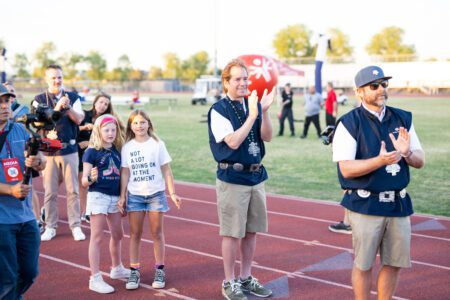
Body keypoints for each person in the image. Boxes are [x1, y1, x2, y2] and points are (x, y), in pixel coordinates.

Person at [332, 65, 425, 299]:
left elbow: (420, 160)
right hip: (366, 205)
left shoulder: (403, 117)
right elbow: (346, 168)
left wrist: (406, 154)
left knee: (394, 264)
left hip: (398, 204)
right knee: (363, 265)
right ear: (359, 92)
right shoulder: (348, 122)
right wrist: (379, 161)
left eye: (384, 84)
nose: (381, 89)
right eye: (374, 86)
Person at [207, 59, 276, 300]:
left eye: (245, 78)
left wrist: (264, 113)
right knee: (232, 233)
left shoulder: (252, 105)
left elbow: (268, 136)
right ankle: (229, 281)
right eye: (237, 79)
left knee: (251, 232)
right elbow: (233, 142)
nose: (243, 83)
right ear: (226, 82)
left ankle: (246, 277)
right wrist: (252, 115)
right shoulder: (219, 109)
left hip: (256, 176)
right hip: (232, 177)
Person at [118, 109, 181, 290]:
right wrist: (122, 196)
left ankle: (160, 269)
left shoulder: (157, 144)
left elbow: (166, 170)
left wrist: (173, 193)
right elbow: (125, 172)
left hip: (156, 195)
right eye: (136, 123)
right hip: (135, 196)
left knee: (156, 234)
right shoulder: (127, 147)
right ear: (131, 126)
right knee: (135, 234)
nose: (139, 126)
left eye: (143, 122)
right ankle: (134, 271)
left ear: (149, 124)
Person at [0, 84, 46, 299]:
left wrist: (39, 162)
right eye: (0, 101)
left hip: (25, 216)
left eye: (7, 101)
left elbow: (41, 161)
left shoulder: (21, 130)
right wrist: (10, 189)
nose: (4, 106)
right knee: (7, 278)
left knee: (29, 272)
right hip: (2, 221)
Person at [32, 64, 86, 242]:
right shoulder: (39, 99)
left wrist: (68, 106)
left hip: (69, 149)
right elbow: (38, 125)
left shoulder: (73, 96)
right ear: (47, 79)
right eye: (53, 77)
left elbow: (79, 119)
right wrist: (56, 108)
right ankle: (50, 226)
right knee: (50, 192)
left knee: (73, 191)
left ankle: (76, 225)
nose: (57, 80)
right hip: (48, 151)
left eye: (60, 77)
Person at [82, 114, 130, 294]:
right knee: (97, 236)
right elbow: (84, 182)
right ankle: (94, 278)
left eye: (113, 130)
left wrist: (123, 196)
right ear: (98, 131)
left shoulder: (119, 149)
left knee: (118, 234)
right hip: (98, 196)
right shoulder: (91, 151)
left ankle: (116, 268)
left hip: (115, 197)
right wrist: (90, 178)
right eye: (106, 130)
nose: (110, 133)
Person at [78, 93, 123, 222]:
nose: (103, 105)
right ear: (95, 102)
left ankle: (89, 210)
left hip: (104, 153)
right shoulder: (84, 115)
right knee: (83, 183)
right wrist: (85, 128)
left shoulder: (110, 119)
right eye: (101, 102)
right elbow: (73, 130)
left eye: (106, 104)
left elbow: (120, 132)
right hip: (84, 152)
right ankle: (85, 211)